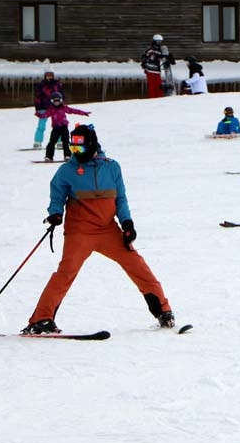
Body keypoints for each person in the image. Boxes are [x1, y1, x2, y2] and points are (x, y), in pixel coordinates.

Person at [23, 124, 175, 334]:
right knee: (65, 273)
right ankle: (41, 319)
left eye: (79, 148)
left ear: (92, 145)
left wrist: (127, 224)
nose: (75, 153)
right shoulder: (67, 170)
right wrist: (55, 213)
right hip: (79, 232)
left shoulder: (112, 167)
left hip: (108, 230)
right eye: (72, 148)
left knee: (138, 266)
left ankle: (164, 312)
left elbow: (120, 198)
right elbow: (56, 194)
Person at [37, 92, 91, 161]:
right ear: (52, 101)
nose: (56, 102)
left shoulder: (64, 107)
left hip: (64, 127)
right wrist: (39, 114)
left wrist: (83, 113)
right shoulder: (51, 109)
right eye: (54, 101)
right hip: (55, 128)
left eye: (58, 100)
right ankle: (49, 156)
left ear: (61, 100)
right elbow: (45, 115)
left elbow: (73, 110)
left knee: (66, 141)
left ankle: (67, 155)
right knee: (52, 142)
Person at [31, 70, 63, 148]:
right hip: (43, 108)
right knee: (41, 126)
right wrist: (37, 109)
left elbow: (62, 96)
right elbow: (37, 98)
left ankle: (60, 141)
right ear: (45, 76)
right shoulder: (41, 85)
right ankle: (37, 142)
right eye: (48, 76)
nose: (50, 77)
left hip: (55, 108)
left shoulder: (57, 84)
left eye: (51, 75)